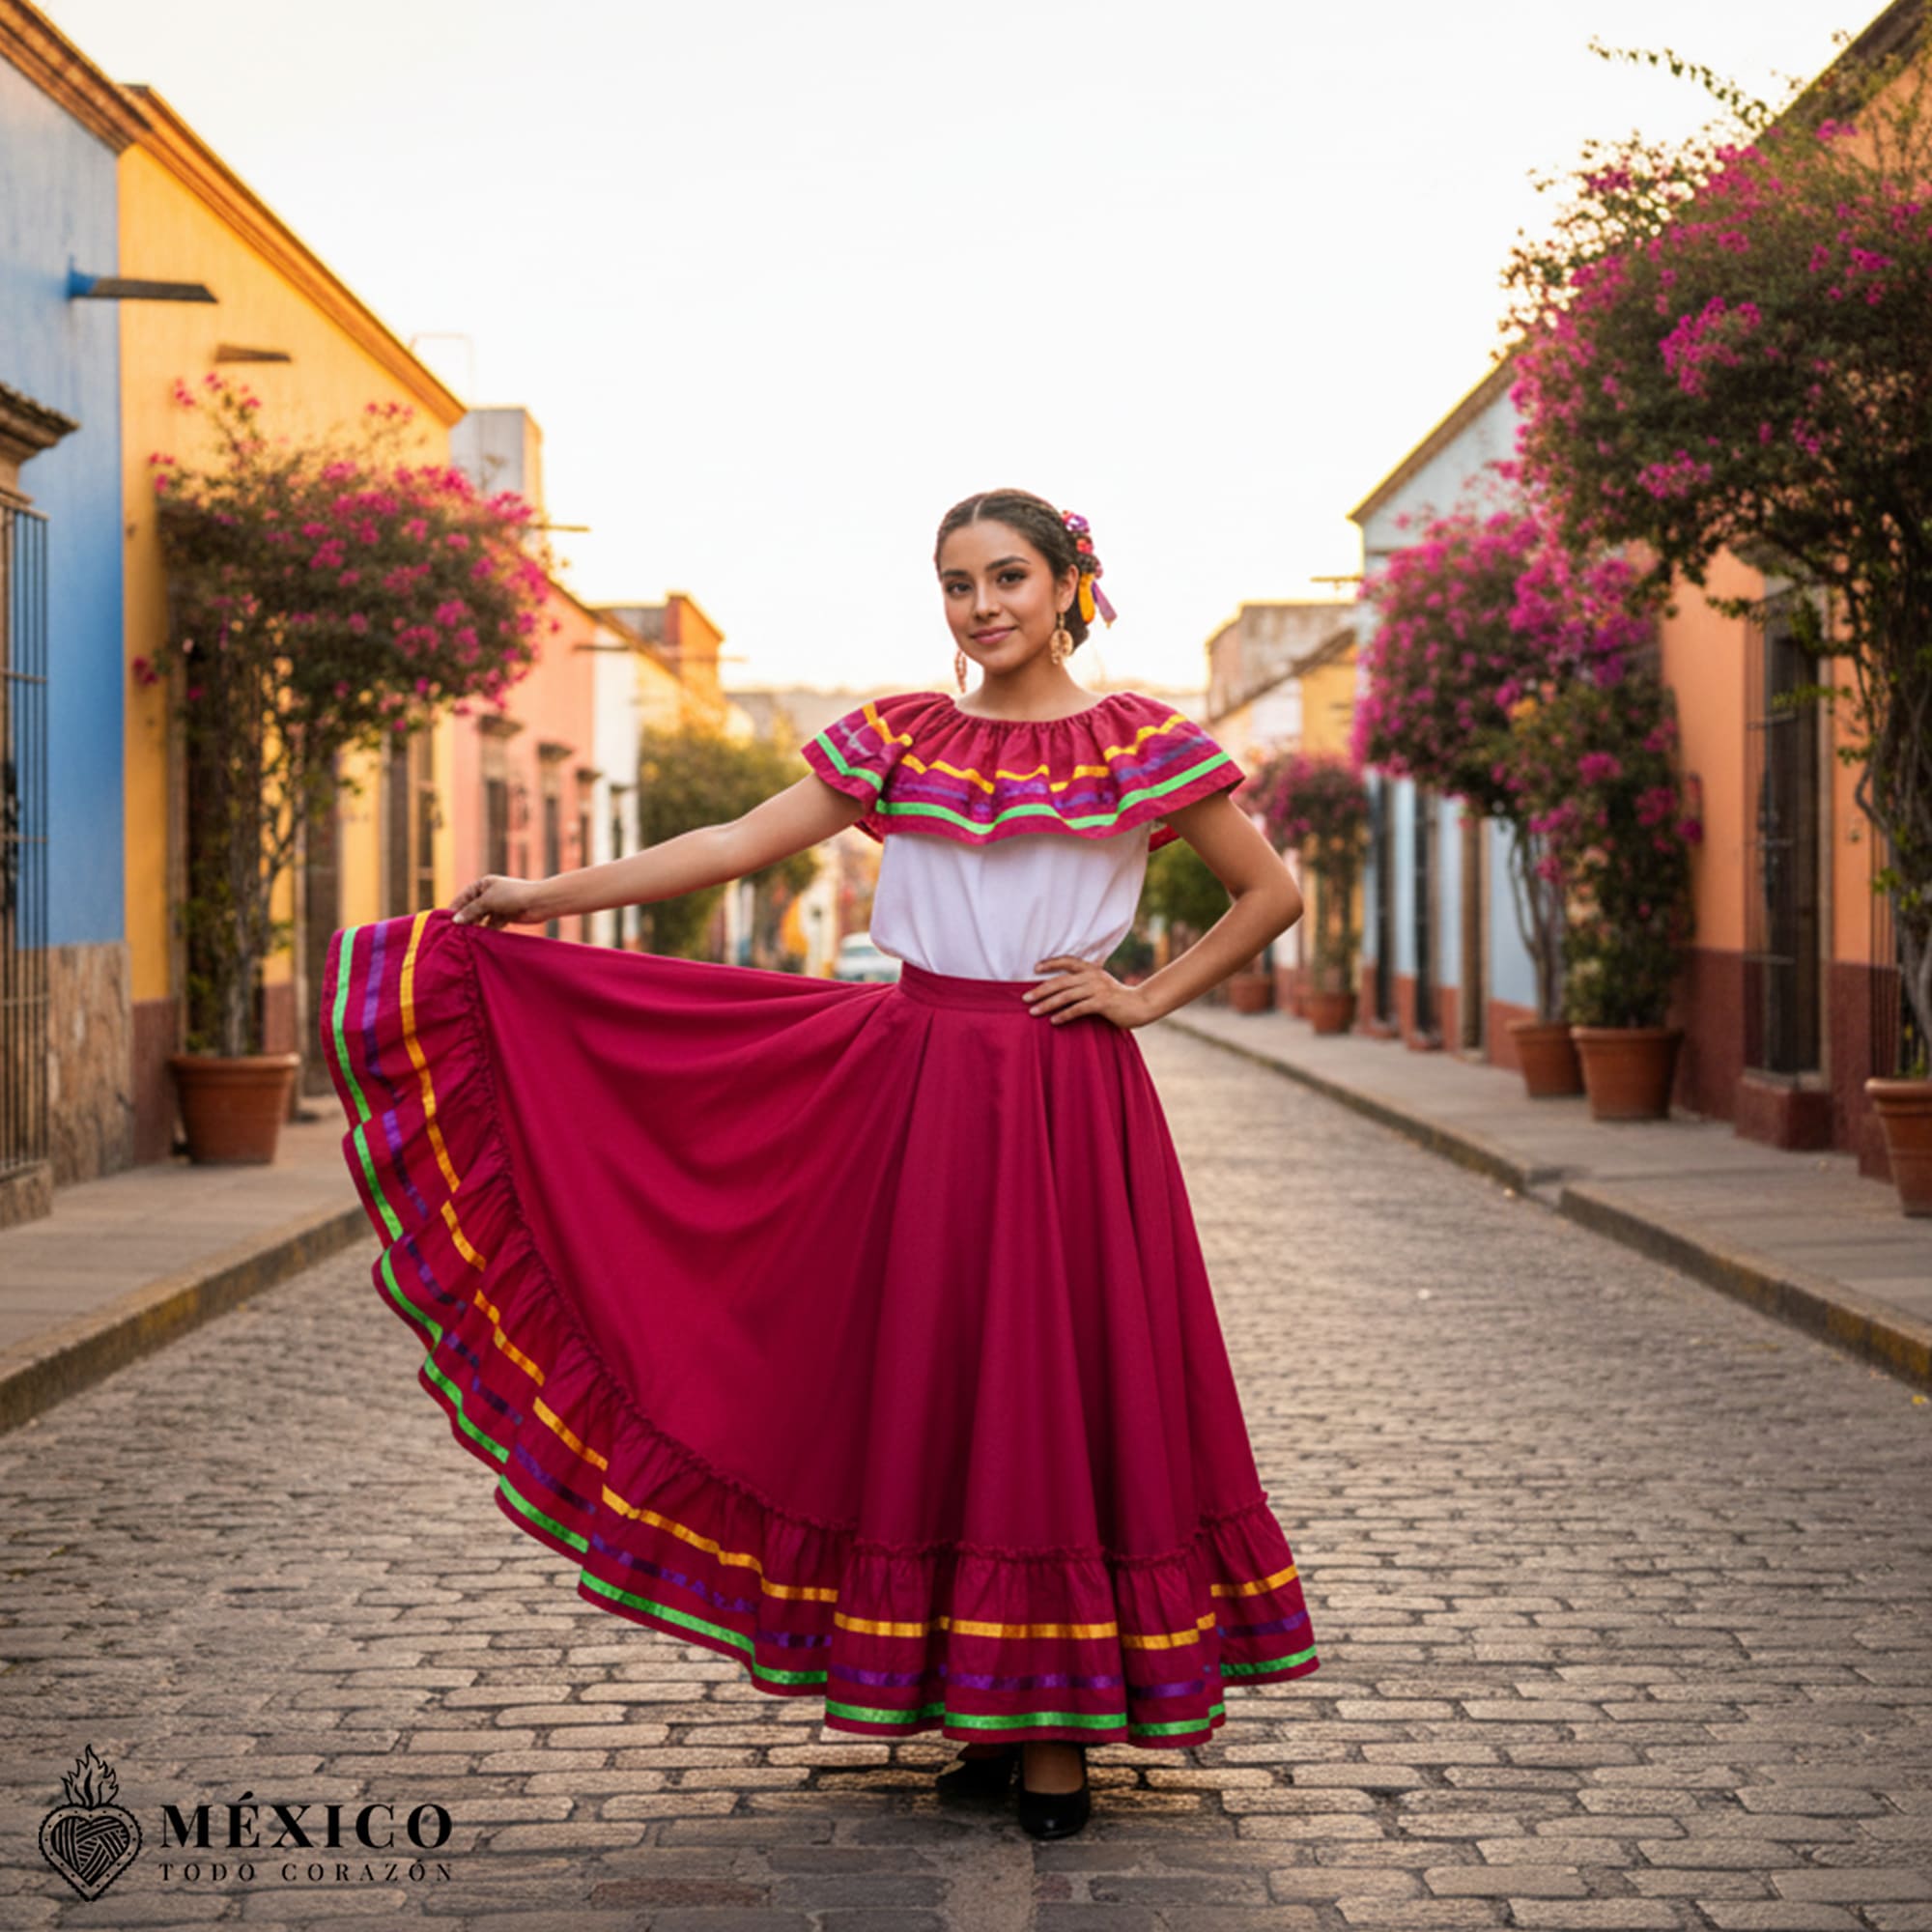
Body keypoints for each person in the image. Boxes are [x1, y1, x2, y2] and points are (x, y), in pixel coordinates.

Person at [319, 487, 1321, 1842]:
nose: (983, 606)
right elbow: (735, 843)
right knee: (923, 1373)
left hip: (1063, 1094)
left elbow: (1270, 893)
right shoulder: (903, 737)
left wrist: (1144, 996)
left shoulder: (1140, 741)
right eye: (958, 582)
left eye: (1010, 576)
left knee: (1043, 1378)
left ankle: (1055, 1732)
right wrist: (542, 900)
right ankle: (981, 1693)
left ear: (1072, 582)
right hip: (913, 1084)